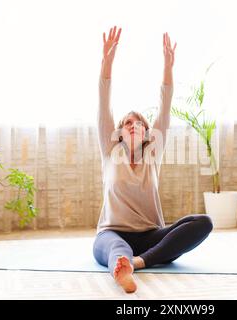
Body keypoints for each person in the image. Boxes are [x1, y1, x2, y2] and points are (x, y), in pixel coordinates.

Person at [93, 26, 213, 293]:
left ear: (148, 132)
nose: (132, 125)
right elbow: (103, 103)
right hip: (111, 232)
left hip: (151, 236)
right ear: (118, 133)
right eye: (126, 123)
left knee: (203, 222)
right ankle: (121, 267)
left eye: (138, 123)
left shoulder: (153, 153)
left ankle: (136, 263)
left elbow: (166, 105)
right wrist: (107, 61)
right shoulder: (110, 151)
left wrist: (168, 65)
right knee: (116, 246)